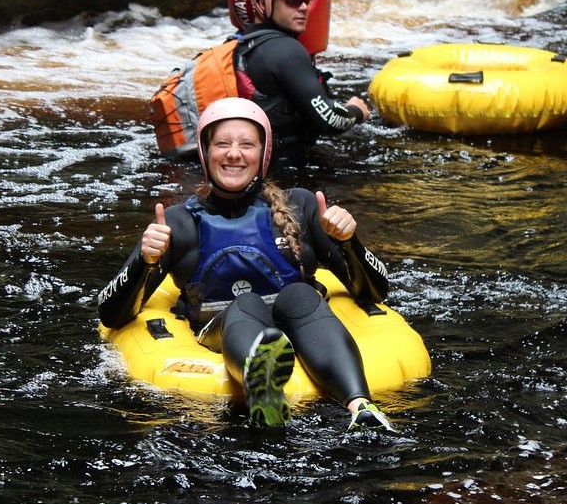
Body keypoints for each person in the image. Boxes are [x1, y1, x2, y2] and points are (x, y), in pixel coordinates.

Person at [98, 97, 394, 432]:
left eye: (247, 145)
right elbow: (111, 313)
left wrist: (348, 243)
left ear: (263, 154)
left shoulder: (302, 205)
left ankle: (361, 406)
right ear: (206, 153)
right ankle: (263, 384)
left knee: (301, 294)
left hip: (300, 323)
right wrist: (146, 261)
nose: (234, 153)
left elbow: (374, 291)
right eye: (222, 144)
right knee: (246, 304)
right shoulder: (178, 222)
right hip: (222, 329)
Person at [234, 0, 369, 151]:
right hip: (285, 171)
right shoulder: (286, 50)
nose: (304, 8)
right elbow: (330, 120)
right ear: (262, 3)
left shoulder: (243, 44)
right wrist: (355, 111)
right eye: (293, 0)